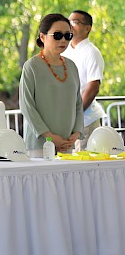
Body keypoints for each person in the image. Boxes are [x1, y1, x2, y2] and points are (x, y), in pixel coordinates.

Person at [19, 13, 83, 156]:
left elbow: (78, 103)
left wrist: (76, 133)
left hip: (67, 143)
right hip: (39, 145)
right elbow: (27, 106)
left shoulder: (72, 66)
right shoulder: (31, 66)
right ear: (42, 37)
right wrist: (49, 136)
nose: (63, 40)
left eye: (68, 35)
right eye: (57, 35)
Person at [62, 10, 106, 151]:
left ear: (87, 28)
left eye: (75, 22)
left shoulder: (91, 52)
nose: (70, 26)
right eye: (68, 22)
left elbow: (93, 88)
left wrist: (76, 115)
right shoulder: (65, 50)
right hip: (66, 121)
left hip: (85, 121)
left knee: (83, 165)